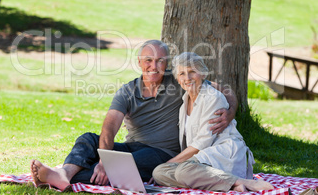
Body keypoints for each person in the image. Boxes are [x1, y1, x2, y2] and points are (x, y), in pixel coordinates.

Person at [30, 40, 238, 191]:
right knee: (88, 139)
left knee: (121, 167)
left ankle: (58, 178)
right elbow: (110, 126)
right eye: (148, 60)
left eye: (160, 61)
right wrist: (104, 158)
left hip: (162, 152)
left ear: (166, 64)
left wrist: (228, 115)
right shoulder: (128, 91)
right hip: (132, 145)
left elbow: (226, 92)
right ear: (139, 62)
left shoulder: (179, 81)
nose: (154, 66)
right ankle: (64, 174)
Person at [152, 52, 274, 192]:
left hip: (224, 153)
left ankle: (242, 181)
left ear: (203, 74)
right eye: (182, 74)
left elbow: (202, 143)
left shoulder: (212, 97)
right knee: (159, 173)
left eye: (192, 71)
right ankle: (229, 184)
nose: (187, 78)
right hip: (201, 160)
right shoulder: (183, 105)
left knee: (181, 170)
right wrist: (169, 166)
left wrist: (171, 163)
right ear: (178, 79)